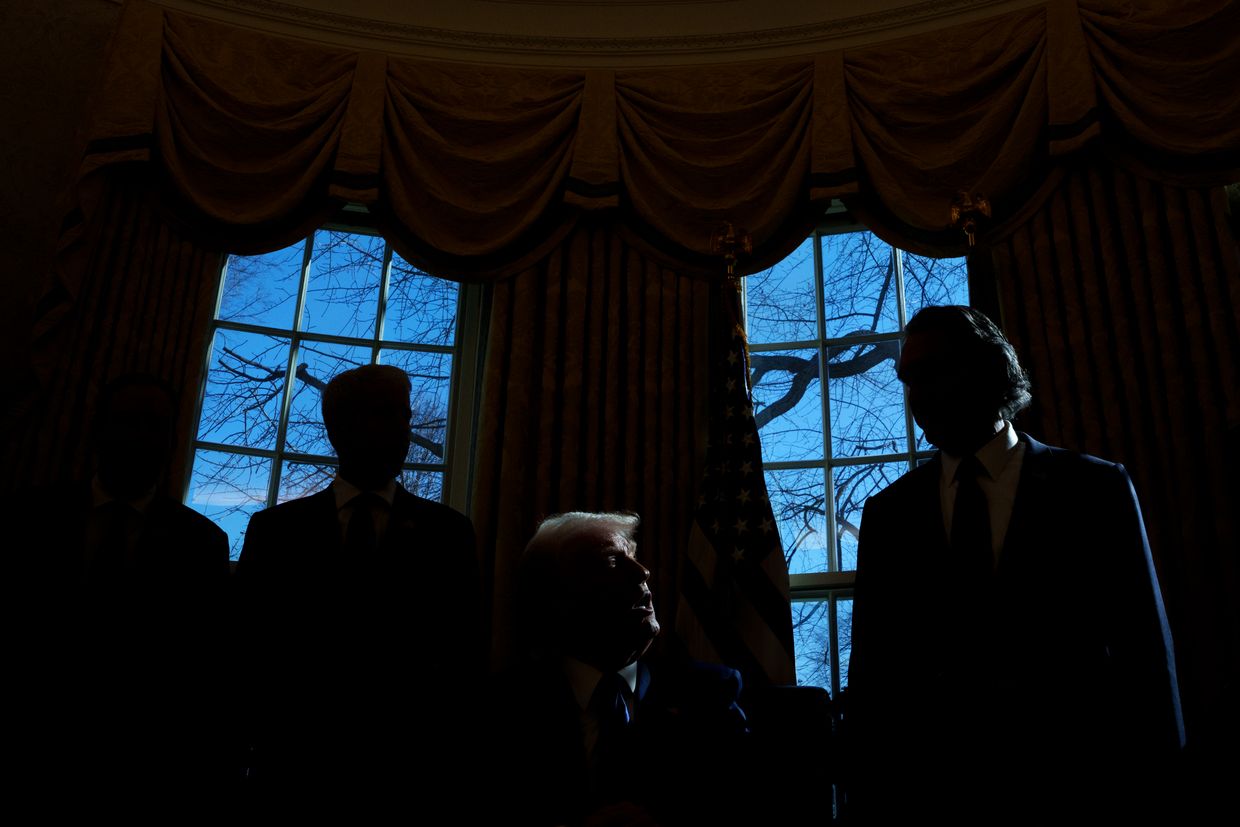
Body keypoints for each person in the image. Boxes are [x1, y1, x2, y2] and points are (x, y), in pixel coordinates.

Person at [845, 306, 1184, 822]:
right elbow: (875, 677)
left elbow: (1145, 657)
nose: (917, 396)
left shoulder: (1093, 490)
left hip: (1079, 795)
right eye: (909, 380)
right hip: (934, 806)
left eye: (933, 371)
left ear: (988, 369)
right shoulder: (889, 514)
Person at [232, 364, 479, 807]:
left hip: (410, 773)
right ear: (339, 429)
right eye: (386, 414)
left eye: (404, 417)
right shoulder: (275, 532)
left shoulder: (449, 533)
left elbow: (464, 655)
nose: (403, 430)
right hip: (294, 769)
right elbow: (246, 650)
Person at [9, 373, 229, 809]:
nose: (141, 437)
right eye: (129, 422)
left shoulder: (201, 543)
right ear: (99, 428)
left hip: (144, 765)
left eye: (154, 426)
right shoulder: (27, 519)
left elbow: (204, 665)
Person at [489, 511, 750, 827]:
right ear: (559, 598)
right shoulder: (500, 710)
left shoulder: (708, 693)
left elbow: (746, 809)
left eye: (634, 557)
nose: (643, 572)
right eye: (613, 563)